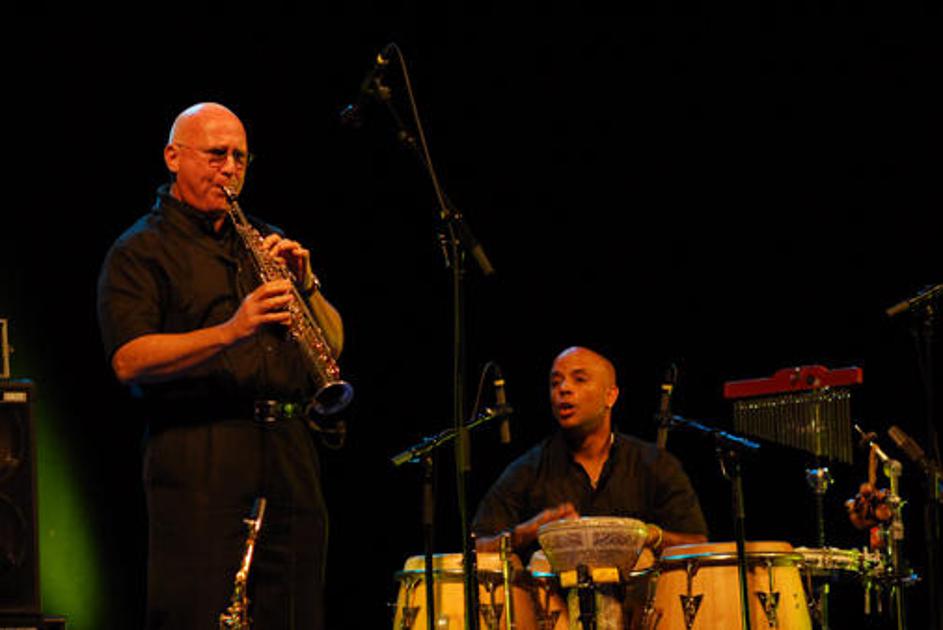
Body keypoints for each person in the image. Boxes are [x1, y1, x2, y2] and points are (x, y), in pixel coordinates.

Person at [97, 102, 343, 629]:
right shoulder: (140, 250)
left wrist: (307, 286)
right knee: (200, 612)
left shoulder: (264, 238)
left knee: (296, 613)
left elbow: (333, 344)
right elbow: (128, 360)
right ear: (173, 157)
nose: (230, 169)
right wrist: (232, 330)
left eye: (240, 157)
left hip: (288, 451)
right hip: (200, 451)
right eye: (215, 155)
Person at [472, 346, 708, 561]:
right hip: (554, 595)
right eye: (555, 383)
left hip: (642, 595)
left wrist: (650, 535)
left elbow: (698, 544)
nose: (563, 389)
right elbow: (477, 548)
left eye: (579, 379)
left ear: (610, 396)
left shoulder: (654, 464)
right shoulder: (528, 469)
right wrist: (528, 532)